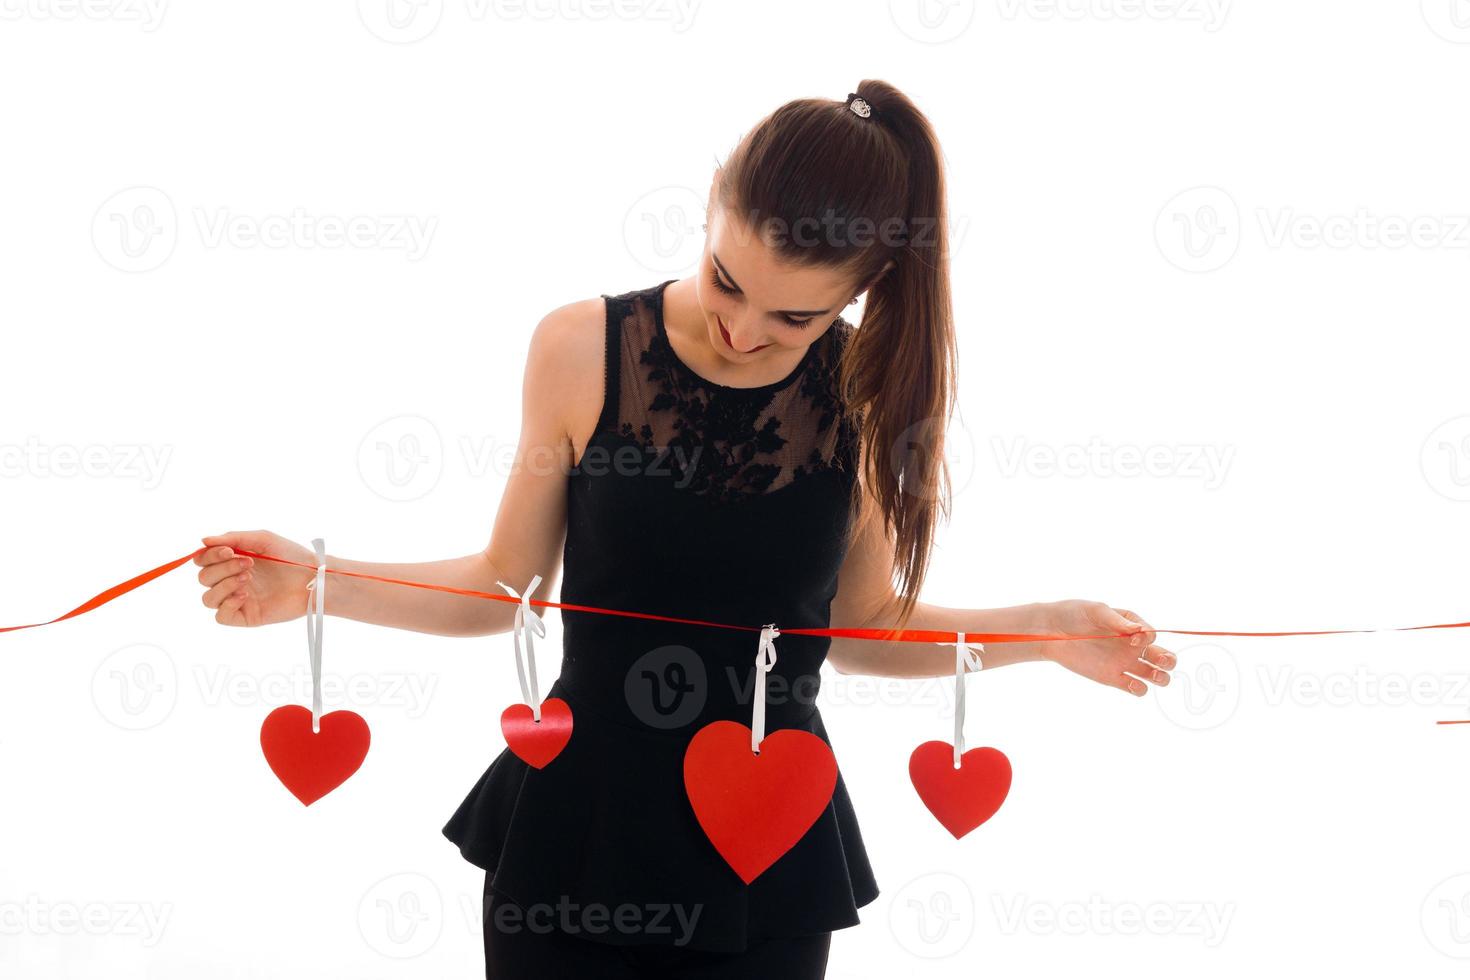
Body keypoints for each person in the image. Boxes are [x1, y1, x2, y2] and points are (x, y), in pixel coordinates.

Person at [194, 79, 1175, 979]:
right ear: (712, 201)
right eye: (727, 279)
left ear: (863, 284)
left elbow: (866, 625)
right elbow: (509, 584)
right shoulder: (580, 347)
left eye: (793, 317)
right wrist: (315, 583)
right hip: (575, 836)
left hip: (769, 855)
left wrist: (1044, 630)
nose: (744, 330)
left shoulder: (865, 395)